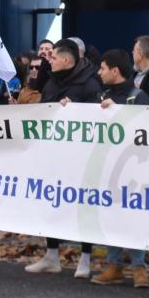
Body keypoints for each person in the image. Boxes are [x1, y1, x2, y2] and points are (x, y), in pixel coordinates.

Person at [25, 40, 102, 278]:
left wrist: (76, 109)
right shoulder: (52, 79)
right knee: (51, 201)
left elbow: (97, 113)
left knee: (83, 205)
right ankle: (51, 255)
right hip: (53, 153)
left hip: (81, 157)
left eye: (54, 57)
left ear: (67, 60)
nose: (50, 60)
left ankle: (86, 258)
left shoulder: (89, 82)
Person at [90, 49, 149, 289]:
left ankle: (139, 267)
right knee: (111, 215)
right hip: (107, 167)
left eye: (103, 68)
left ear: (115, 71)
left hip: (136, 168)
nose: (99, 72)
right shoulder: (100, 95)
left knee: (135, 216)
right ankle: (114, 264)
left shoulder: (139, 97)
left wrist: (118, 110)